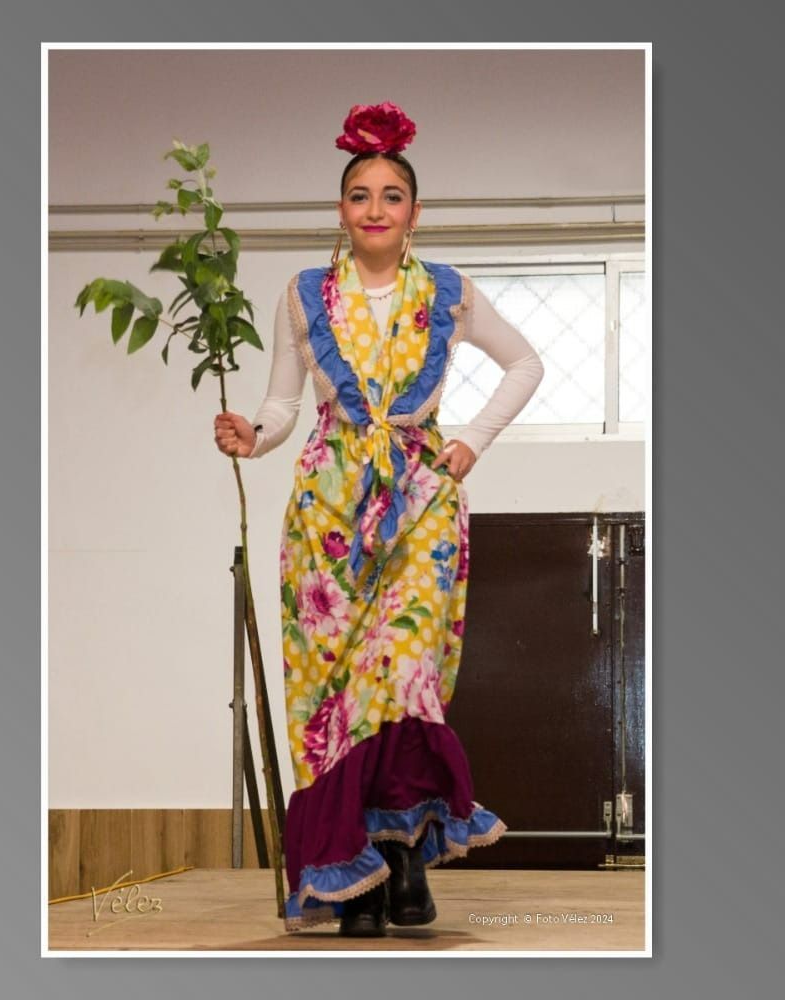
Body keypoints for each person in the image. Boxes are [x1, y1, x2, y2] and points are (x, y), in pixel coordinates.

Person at [212, 102, 545, 936]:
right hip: (327, 508)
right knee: (332, 698)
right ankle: (349, 879)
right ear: (341, 210)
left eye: (391, 195)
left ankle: (403, 866)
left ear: (414, 212)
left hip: (422, 502)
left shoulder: (449, 293)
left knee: (401, 679)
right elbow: (284, 405)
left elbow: (525, 362)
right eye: (359, 194)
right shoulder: (303, 296)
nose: (374, 209)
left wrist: (470, 442)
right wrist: (253, 436)